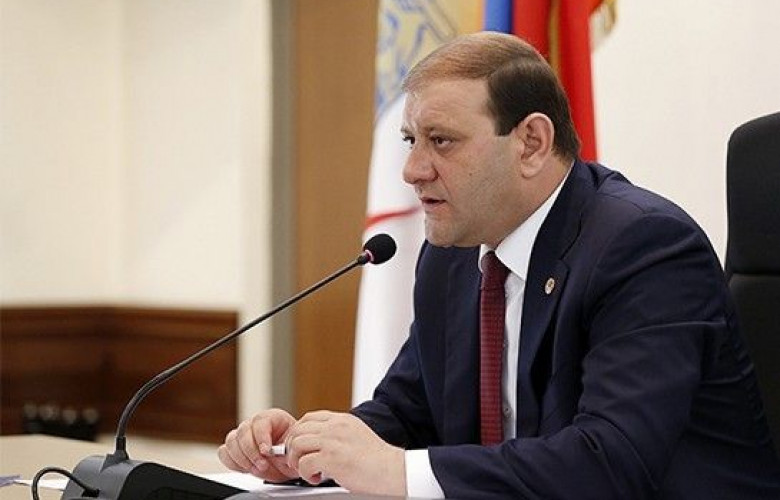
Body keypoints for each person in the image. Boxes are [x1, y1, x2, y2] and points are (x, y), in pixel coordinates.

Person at [218, 32, 780, 499]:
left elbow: (610, 462)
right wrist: (310, 452)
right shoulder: (452, 256)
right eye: (411, 139)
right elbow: (409, 410)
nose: (412, 170)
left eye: (441, 141)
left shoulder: (643, 247)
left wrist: (394, 470)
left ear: (531, 142)